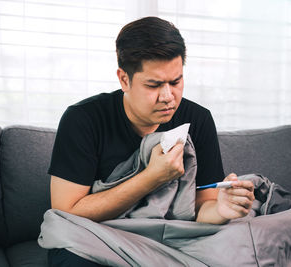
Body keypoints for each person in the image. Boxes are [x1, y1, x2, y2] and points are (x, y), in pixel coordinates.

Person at [47, 16, 255, 266]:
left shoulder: (198, 119)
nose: (168, 97)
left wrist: (222, 209)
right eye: (154, 85)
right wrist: (152, 177)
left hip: (172, 239)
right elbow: (67, 211)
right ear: (124, 79)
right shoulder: (83, 119)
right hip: (99, 238)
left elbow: (202, 208)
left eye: (176, 82)